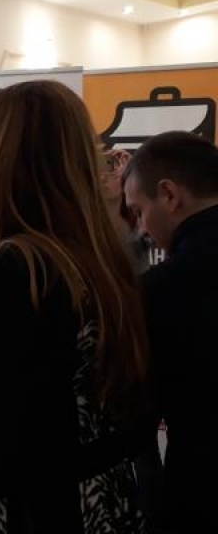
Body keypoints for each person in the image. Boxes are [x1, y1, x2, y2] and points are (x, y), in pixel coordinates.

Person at [0, 81, 150, 534]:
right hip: (104, 505)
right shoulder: (100, 258)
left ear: (6, 162)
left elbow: (14, 446)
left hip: (35, 513)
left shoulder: (22, 268)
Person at [122, 130, 218, 534]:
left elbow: (138, 414)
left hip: (201, 493)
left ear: (169, 194)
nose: (142, 228)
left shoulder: (164, 288)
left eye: (139, 211)